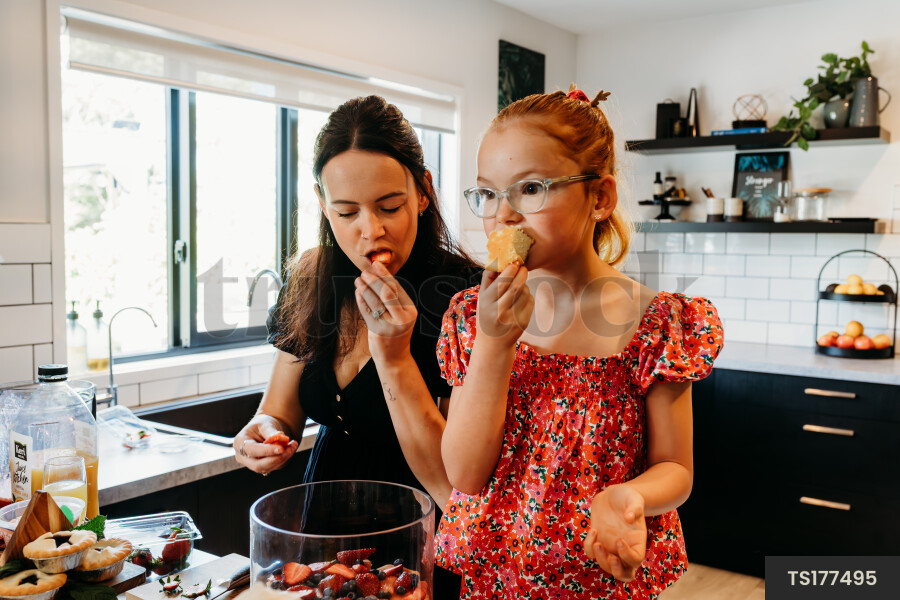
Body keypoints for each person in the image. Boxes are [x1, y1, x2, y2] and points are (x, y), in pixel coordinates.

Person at [436, 86, 724, 599]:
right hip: (495, 582)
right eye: (487, 193)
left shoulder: (655, 323)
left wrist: (630, 495)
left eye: (529, 189)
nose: (502, 216)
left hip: (603, 584)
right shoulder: (472, 316)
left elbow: (677, 469)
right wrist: (494, 345)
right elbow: (464, 473)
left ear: (600, 198)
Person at [233, 95, 478, 598]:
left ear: (423, 191)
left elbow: (460, 480)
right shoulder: (309, 279)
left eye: (389, 206)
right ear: (324, 206)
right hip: (323, 523)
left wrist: (395, 356)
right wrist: (262, 433)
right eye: (347, 212)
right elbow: (278, 412)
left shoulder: (464, 297)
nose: (372, 230)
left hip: (419, 527)